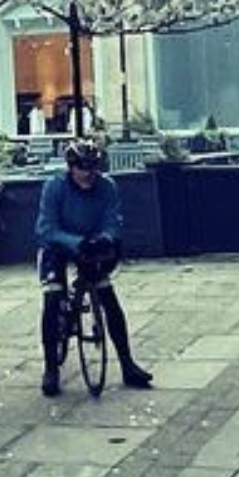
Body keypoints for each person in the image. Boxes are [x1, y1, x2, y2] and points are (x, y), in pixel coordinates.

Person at [36, 138, 155, 393]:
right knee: (52, 296)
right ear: (71, 167)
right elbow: (46, 229)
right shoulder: (54, 187)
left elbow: (113, 219)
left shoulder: (106, 186)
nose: (89, 174)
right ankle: (51, 369)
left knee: (108, 297)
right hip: (57, 245)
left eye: (93, 167)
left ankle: (127, 364)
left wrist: (106, 237)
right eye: (82, 168)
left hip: (91, 243)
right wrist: (75, 242)